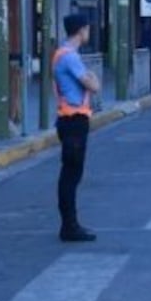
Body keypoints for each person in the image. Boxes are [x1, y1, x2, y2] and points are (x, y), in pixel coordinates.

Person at [53, 12, 101, 242]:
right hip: (73, 121)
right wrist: (92, 79)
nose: (88, 32)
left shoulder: (66, 54)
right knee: (71, 176)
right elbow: (93, 85)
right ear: (81, 30)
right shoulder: (69, 57)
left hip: (72, 119)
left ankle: (70, 224)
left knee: (71, 174)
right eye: (88, 29)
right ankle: (69, 226)